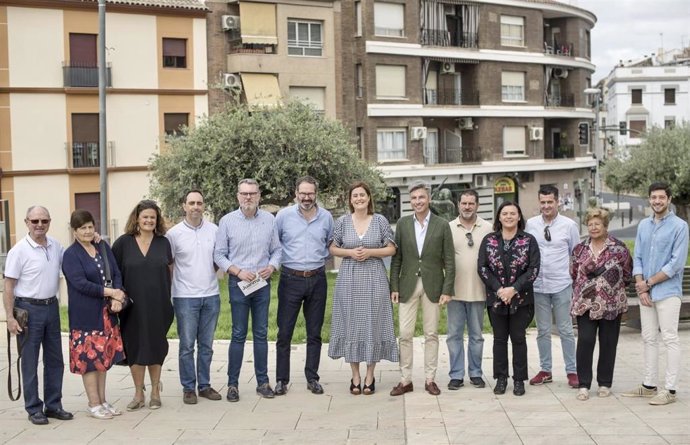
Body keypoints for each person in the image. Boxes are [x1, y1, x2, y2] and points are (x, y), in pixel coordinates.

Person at [3, 206, 74, 425]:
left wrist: (93, 239)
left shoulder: (56, 246)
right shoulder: (18, 251)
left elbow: (73, 260)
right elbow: (8, 285)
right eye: (35, 221)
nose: (39, 225)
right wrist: (10, 317)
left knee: (55, 360)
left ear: (49, 221)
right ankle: (34, 408)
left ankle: (53, 405)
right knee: (30, 361)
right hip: (28, 310)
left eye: (44, 220)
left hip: (52, 307)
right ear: (26, 222)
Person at [328, 181, 399, 395]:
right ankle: (355, 375)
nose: (359, 199)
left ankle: (370, 374)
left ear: (369, 198)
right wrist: (349, 253)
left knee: (373, 323)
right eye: (355, 196)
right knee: (351, 324)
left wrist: (370, 252)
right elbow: (332, 247)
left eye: (362, 195)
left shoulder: (379, 221)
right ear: (350, 200)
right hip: (349, 279)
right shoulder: (341, 222)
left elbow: (391, 248)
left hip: (374, 277)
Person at [214, 179, 281, 402]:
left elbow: (277, 250)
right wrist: (238, 271)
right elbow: (219, 254)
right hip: (238, 283)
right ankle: (232, 384)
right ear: (238, 196)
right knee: (238, 334)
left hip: (262, 284)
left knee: (261, 334)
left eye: (252, 193)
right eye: (244, 194)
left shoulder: (270, 220)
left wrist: (272, 267)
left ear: (259, 196)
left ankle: (262, 382)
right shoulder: (227, 221)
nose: (248, 197)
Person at [622, 182, 689, 405]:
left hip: (667, 291)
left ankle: (670, 390)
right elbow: (638, 257)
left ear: (669, 199)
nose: (657, 201)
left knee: (669, 338)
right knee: (648, 338)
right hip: (646, 292)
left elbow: (676, 264)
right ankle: (649, 385)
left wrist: (648, 283)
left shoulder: (680, 226)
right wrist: (641, 286)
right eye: (653, 197)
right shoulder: (643, 225)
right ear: (649, 199)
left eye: (661, 197)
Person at [389, 181, 455, 397]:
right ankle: (405, 379)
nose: (417, 201)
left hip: (433, 285)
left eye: (421, 197)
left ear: (428, 199)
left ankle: (430, 379)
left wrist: (447, 289)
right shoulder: (403, 224)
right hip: (407, 285)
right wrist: (394, 286)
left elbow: (449, 260)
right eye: (414, 198)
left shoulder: (441, 225)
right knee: (405, 334)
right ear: (411, 201)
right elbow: (396, 259)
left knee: (431, 333)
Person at [62, 209, 126, 419]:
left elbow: (116, 273)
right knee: (89, 361)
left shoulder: (102, 247)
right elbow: (80, 284)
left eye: (90, 226)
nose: (88, 231)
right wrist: (111, 292)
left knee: (102, 360)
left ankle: (103, 400)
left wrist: (118, 298)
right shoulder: (71, 255)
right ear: (75, 231)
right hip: (85, 317)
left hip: (106, 315)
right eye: (83, 228)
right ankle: (93, 403)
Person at [274, 176, 334, 396]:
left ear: (316, 194)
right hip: (290, 278)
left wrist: (317, 260)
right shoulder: (283, 216)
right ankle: (281, 379)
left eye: (310, 193)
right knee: (285, 332)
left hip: (317, 279)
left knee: (314, 332)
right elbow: (275, 243)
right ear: (296, 193)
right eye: (303, 193)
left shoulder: (326, 217)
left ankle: (312, 377)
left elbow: (330, 244)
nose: (306, 197)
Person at [112, 200, 174, 411]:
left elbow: (170, 272)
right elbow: (114, 273)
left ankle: (155, 391)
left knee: (156, 347)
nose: (149, 220)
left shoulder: (163, 243)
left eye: (152, 217)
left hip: (159, 305)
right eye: (145, 216)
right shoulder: (123, 243)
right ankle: (139, 393)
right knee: (135, 347)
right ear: (137, 218)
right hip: (132, 307)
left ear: (157, 221)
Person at [478, 201, 540, 396]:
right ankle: (501, 378)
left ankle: (520, 380)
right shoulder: (489, 240)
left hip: (521, 299)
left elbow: (533, 269)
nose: (509, 217)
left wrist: (513, 289)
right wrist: (499, 290)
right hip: (496, 299)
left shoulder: (528, 240)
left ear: (519, 217)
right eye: (505, 213)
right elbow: (482, 268)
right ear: (499, 217)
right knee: (499, 340)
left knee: (519, 339)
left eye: (513, 213)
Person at [570, 207, 632, 401]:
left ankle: (605, 383)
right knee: (585, 341)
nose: (594, 227)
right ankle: (584, 384)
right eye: (590, 224)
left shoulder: (619, 248)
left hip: (612, 304)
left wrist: (609, 288)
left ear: (605, 226)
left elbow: (627, 274)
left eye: (597, 224)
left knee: (608, 343)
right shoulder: (580, 249)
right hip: (585, 304)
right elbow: (573, 273)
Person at [166, 190, 222, 405]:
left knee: (206, 345)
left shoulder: (215, 230)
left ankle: (205, 386)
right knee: (187, 345)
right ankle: (188, 387)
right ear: (184, 206)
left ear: (204, 205)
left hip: (211, 295)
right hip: (184, 296)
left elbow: (218, 259)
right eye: (191, 203)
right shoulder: (174, 234)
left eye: (199, 203)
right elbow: (169, 265)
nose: (196, 207)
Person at [525, 185, 580, 388]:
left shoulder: (569, 226)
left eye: (550, 202)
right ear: (539, 203)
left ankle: (572, 371)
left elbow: (576, 256)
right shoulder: (531, 225)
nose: (546, 206)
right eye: (543, 202)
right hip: (538, 285)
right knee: (542, 330)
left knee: (565, 329)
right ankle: (545, 369)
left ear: (557, 202)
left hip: (562, 285)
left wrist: (575, 284)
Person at [444, 189, 493, 390]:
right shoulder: (448, 228)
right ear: (458, 204)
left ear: (477, 205)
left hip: (479, 290)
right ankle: (456, 375)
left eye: (471, 203)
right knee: (454, 335)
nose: (467, 207)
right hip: (454, 291)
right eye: (464, 203)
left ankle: (475, 373)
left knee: (476, 336)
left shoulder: (488, 228)